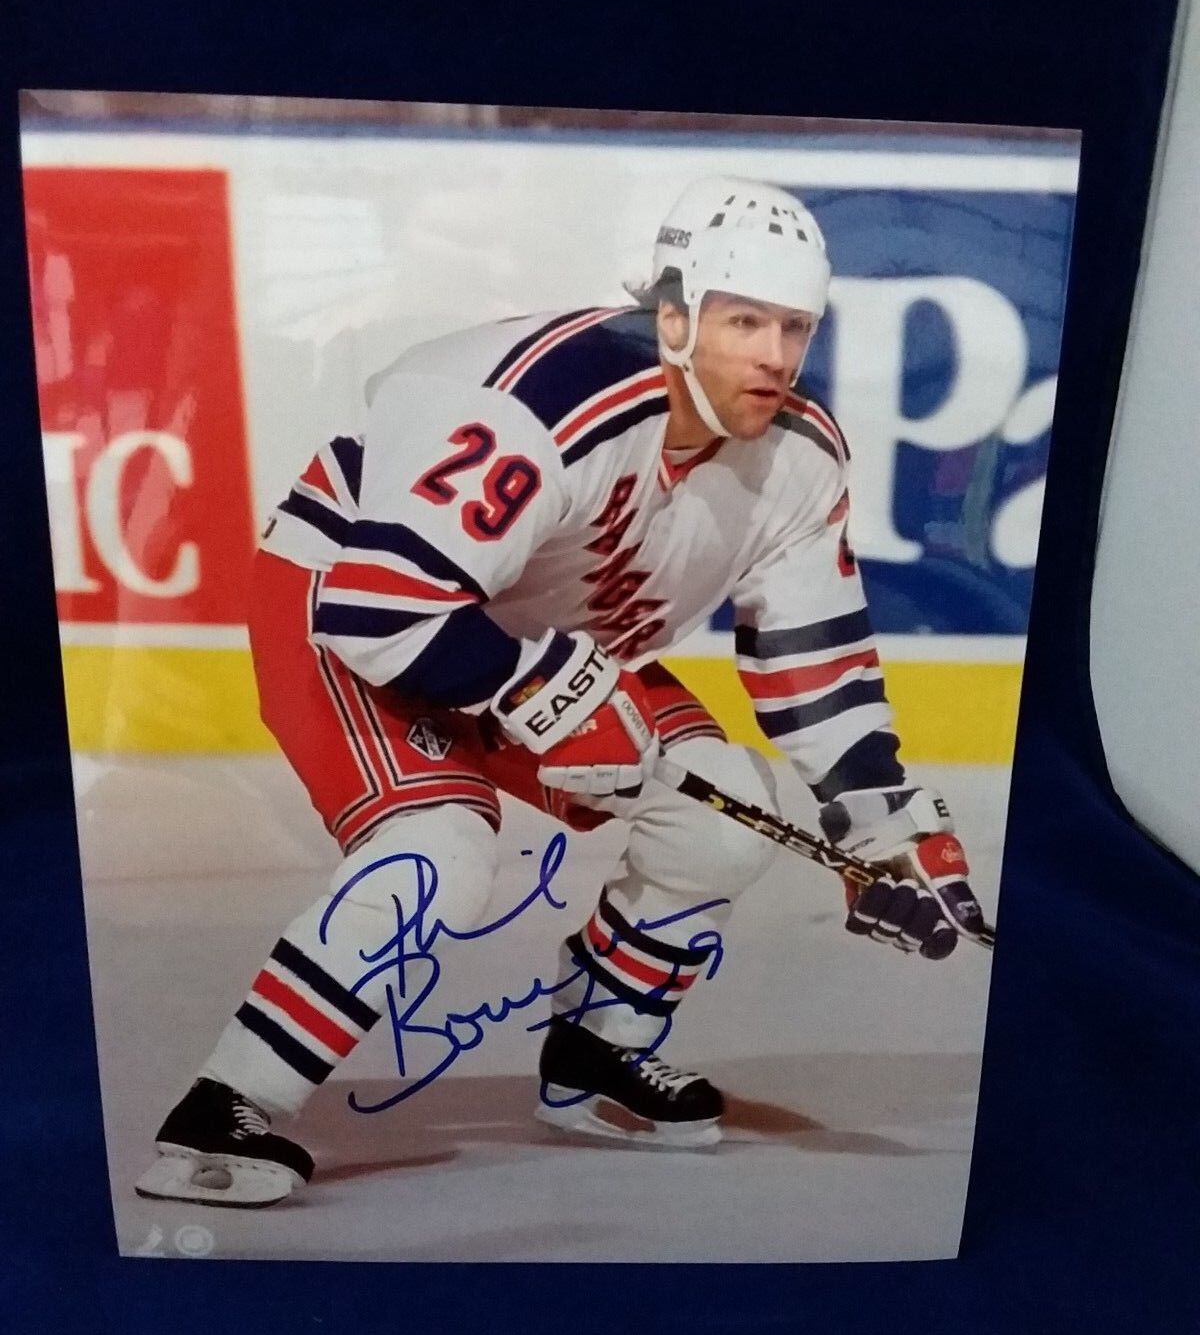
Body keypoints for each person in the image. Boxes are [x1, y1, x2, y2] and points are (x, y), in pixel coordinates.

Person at [135, 175, 985, 1209]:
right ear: (672, 315)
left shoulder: (800, 455)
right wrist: (542, 688)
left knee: (735, 813)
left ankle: (597, 1051)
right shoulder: (546, 398)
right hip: (351, 609)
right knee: (441, 851)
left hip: (543, 643)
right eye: (743, 318)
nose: (773, 352)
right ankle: (230, 1103)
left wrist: (881, 818)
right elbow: (378, 609)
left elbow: (814, 655)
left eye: (794, 325)